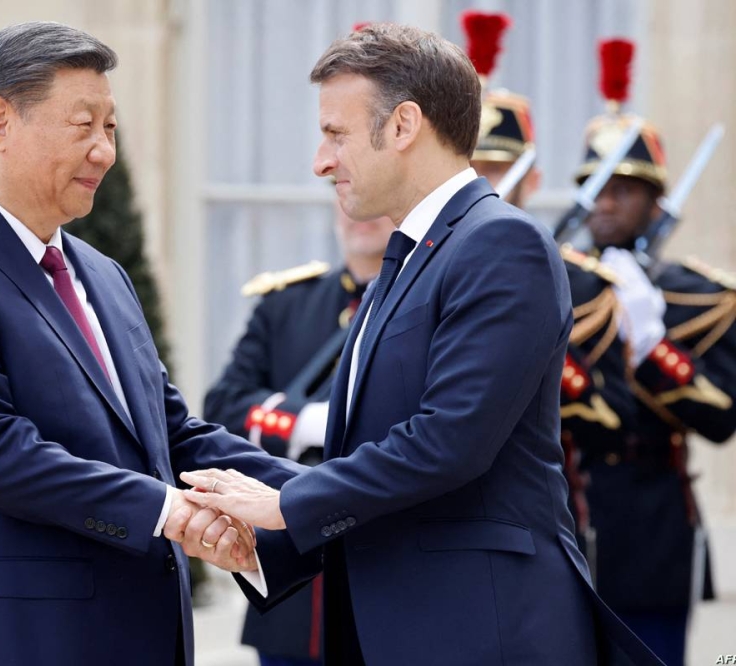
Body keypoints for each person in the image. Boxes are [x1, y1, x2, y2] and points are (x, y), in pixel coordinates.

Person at [183, 23, 661, 666]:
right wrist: (265, 540)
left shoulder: (499, 242)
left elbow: (448, 442)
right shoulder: (412, 257)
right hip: (412, 626)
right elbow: (378, 453)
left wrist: (284, 504)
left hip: (482, 631)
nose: (321, 161)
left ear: (404, 125)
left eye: (336, 134)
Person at [0, 22, 301, 666]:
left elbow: (171, 436)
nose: (105, 152)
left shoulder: (101, 273)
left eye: (111, 128)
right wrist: (168, 511)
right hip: (14, 645)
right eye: (84, 126)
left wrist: (315, 496)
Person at [572, 38, 736, 666]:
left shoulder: (699, 297)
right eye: (596, 187)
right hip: (567, 509)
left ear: (657, 203)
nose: (606, 202)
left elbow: (720, 416)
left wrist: (651, 343)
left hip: (651, 524)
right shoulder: (557, 281)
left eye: (625, 188)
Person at [462, 11, 640, 563]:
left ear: (533, 179)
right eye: (471, 165)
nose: (482, 182)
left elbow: (614, 423)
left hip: (530, 526)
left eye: (499, 169)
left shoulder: (581, 284)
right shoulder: (413, 267)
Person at [204, 199, 395, 666]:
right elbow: (225, 404)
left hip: (387, 566)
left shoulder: (426, 305)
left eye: (373, 199)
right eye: (346, 196)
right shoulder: (287, 303)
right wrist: (304, 423)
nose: (360, 212)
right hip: (293, 591)